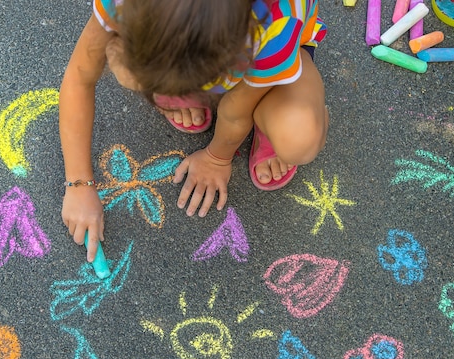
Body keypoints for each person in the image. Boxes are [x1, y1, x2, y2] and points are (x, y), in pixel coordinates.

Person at [59, 0, 328, 261]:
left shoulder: (274, 24)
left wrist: (217, 158)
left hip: (276, 50)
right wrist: (79, 184)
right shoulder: (122, 4)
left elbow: (236, 110)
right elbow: (79, 77)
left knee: (298, 137)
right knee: (133, 72)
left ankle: (273, 106)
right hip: (222, 49)